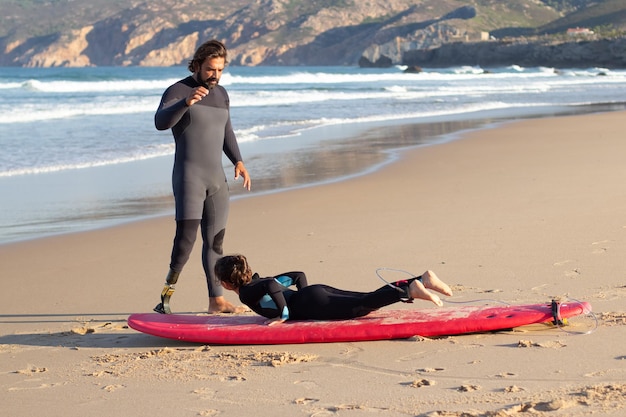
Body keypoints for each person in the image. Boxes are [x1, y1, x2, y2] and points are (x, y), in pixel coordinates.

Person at [153, 40, 251, 315]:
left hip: (216, 180)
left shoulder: (221, 95)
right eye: (210, 69)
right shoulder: (177, 90)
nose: (215, 75)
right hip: (189, 178)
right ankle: (166, 296)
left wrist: (239, 161)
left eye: (219, 70)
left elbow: (226, 130)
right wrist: (185, 102)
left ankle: (216, 300)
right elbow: (161, 122)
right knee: (185, 242)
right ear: (197, 65)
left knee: (216, 241)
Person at [214, 254, 453, 325]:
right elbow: (298, 276)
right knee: (367, 299)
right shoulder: (260, 281)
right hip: (315, 293)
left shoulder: (247, 293)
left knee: (362, 307)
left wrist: (283, 315)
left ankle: (411, 289)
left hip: (312, 302)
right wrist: (304, 298)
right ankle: (422, 279)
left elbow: (269, 287)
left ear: (226, 283)